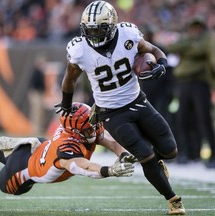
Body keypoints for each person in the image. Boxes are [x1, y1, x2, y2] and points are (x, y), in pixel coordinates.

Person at [54, 1, 185, 215]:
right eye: (90, 30)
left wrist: (160, 63)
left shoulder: (128, 34)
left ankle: (158, 162)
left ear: (112, 26)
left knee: (170, 150)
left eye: (99, 29)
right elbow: (70, 79)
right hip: (111, 113)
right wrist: (66, 104)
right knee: (144, 155)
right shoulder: (79, 49)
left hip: (138, 101)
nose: (94, 34)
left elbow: (152, 49)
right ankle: (173, 199)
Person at [0, 102, 136, 196]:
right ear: (76, 130)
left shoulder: (81, 128)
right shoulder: (68, 147)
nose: (93, 128)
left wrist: (124, 154)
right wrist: (108, 170)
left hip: (35, 147)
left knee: (4, 154)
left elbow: (109, 141)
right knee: (3, 184)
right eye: (88, 126)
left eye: (92, 123)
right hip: (24, 167)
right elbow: (82, 167)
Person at [166, 17, 215, 167]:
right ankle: (186, 153)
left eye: (198, 27)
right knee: (182, 119)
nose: (195, 30)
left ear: (202, 28)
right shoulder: (187, 39)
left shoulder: (208, 39)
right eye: (193, 27)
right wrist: (191, 45)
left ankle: (212, 155)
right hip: (183, 84)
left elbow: (202, 49)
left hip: (200, 83)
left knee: (203, 119)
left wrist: (188, 48)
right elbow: (171, 47)